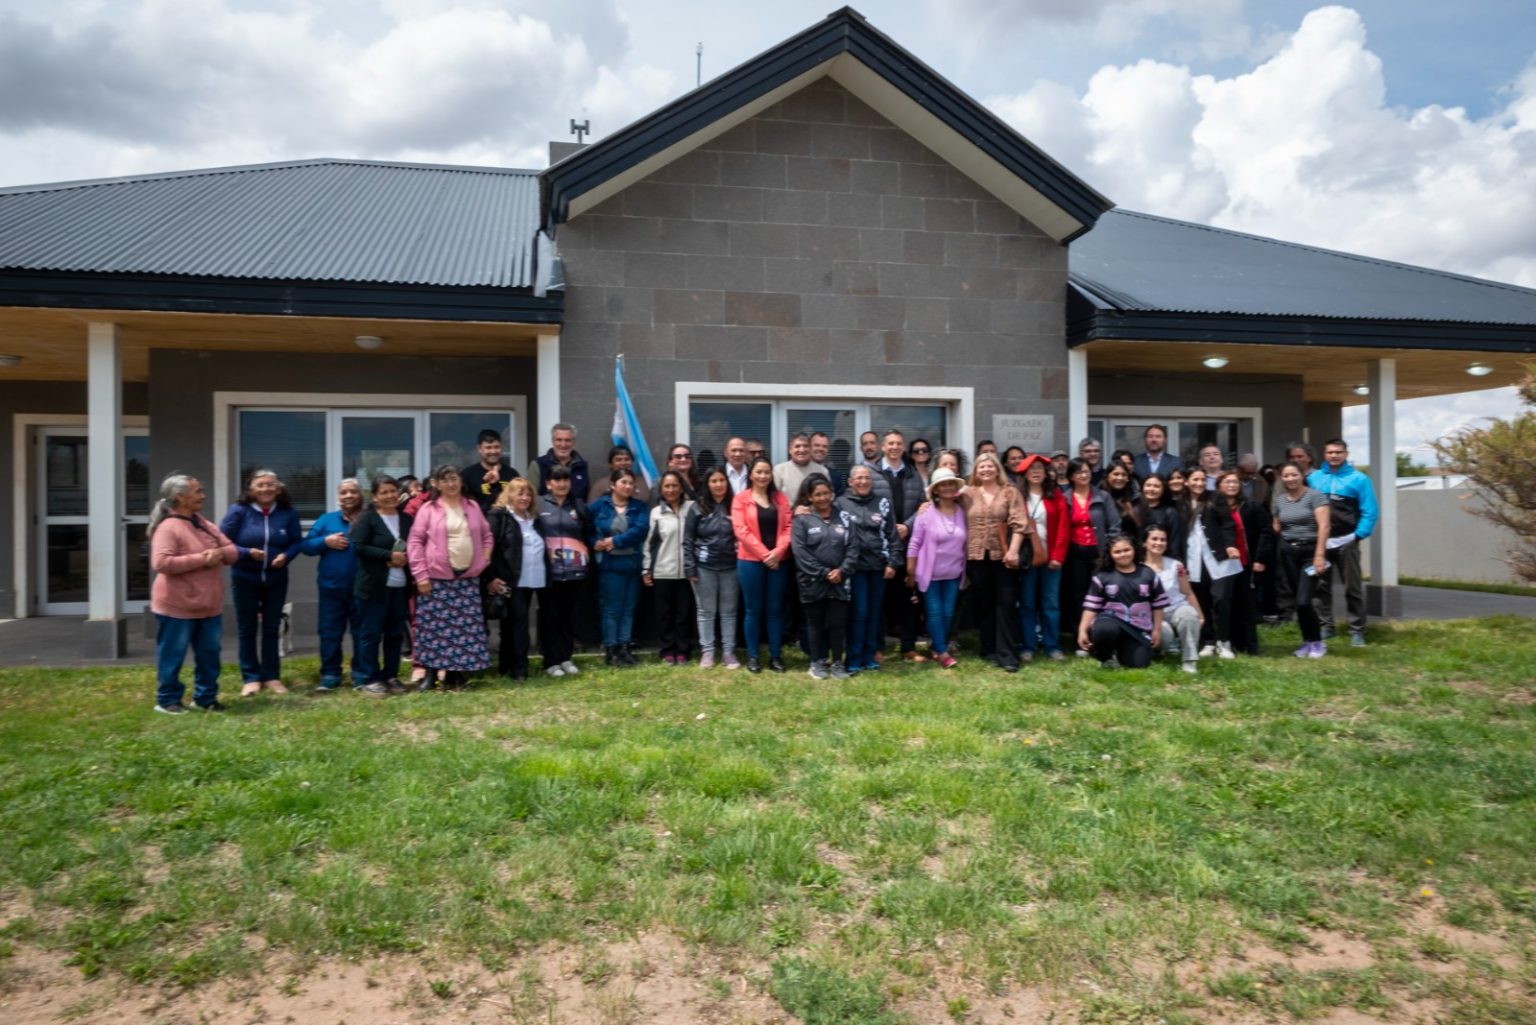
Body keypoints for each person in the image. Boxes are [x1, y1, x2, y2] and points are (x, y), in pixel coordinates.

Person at [149, 474, 237, 713]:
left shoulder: (203, 523)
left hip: (208, 605)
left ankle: (206, 698)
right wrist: (203, 558)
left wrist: (219, 554)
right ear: (181, 497)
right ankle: (168, 700)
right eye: (198, 492)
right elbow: (162, 563)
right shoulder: (168, 527)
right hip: (177, 606)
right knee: (173, 654)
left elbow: (231, 550)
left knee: (209, 654)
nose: (203, 496)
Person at [407, 464, 493, 689]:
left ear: (460, 481)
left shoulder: (472, 506)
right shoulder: (429, 509)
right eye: (445, 480)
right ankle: (430, 675)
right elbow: (415, 543)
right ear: (437, 484)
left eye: (454, 479)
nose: (451, 484)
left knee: (462, 632)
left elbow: (487, 536)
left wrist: (483, 560)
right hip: (436, 579)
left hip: (466, 580)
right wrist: (420, 576)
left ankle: (455, 676)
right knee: (433, 630)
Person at [221, 468, 303, 696]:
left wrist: (287, 555)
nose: (266, 488)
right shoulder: (239, 511)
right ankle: (250, 678)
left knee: (271, 627)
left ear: (278, 489)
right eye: (261, 485)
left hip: (276, 579)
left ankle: (272, 676)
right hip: (244, 577)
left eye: (270, 485)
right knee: (246, 628)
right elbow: (222, 541)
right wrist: (247, 553)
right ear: (251, 489)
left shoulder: (287, 512)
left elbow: (297, 542)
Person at [957, 452, 1026, 671]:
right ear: (975, 471)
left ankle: (1007, 654)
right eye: (981, 467)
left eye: (990, 466)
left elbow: (1020, 524)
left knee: (1005, 604)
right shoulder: (967, 494)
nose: (986, 470)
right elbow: (943, 503)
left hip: (1003, 556)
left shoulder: (1010, 492)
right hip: (976, 556)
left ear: (997, 469)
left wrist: (1014, 551)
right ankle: (988, 649)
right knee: (984, 604)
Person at [1308, 438, 1377, 647]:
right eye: (1330, 452)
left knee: (1352, 587)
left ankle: (1357, 630)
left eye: (1338, 452)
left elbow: (1370, 511)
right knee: (1321, 587)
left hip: (1347, 541)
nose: (1334, 456)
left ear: (1346, 454)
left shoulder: (1359, 479)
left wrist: (1358, 535)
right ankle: (1326, 626)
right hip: (1321, 542)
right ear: (1324, 454)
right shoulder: (1314, 479)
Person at [792, 474, 860, 679]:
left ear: (832, 493)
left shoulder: (845, 518)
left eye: (826, 493)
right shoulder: (802, 520)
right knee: (815, 624)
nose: (822, 498)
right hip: (812, 582)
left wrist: (842, 571)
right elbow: (800, 552)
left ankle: (838, 663)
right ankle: (817, 662)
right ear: (810, 497)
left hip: (840, 581)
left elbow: (854, 548)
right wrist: (823, 573)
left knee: (838, 623)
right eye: (817, 494)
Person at [1200, 469, 1273, 659]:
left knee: (1246, 603)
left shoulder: (1252, 506)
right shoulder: (1210, 506)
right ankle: (1226, 641)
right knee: (1224, 603)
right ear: (1218, 486)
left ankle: (1249, 645)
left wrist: (1260, 559)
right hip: (1221, 564)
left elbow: (1266, 531)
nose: (1231, 485)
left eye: (1235, 482)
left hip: (1245, 562)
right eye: (1227, 482)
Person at [350, 475, 414, 694]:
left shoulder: (407, 519)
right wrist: (388, 556)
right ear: (375, 497)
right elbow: (358, 547)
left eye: (393, 491)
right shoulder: (368, 519)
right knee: (370, 634)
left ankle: (391, 676)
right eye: (384, 492)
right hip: (373, 587)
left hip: (400, 586)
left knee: (395, 634)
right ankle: (369, 678)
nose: (389, 496)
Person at [301, 478, 364, 692]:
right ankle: (330, 674)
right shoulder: (326, 520)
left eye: (353, 492)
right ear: (338, 497)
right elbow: (306, 546)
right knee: (330, 633)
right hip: (332, 589)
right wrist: (324, 542)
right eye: (344, 492)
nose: (348, 496)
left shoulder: (369, 518)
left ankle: (361, 674)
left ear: (360, 494)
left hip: (363, 589)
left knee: (362, 632)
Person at [836, 463, 900, 673]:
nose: (863, 482)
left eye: (867, 478)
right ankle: (853, 659)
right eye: (859, 478)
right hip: (854, 569)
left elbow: (892, 536)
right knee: (859, 613)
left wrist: (892, 562)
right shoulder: (841, 503)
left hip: (879, 568)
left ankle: (869, 656)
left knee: (874, 613)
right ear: (851, 482)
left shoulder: (882, 503)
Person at [732, 456, 792, 673]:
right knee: (752, 610)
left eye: (767, 472)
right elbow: (741, 530)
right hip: (750, 562)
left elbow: (788, 527)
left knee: (775, 610)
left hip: (778, 562)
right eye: (759, 472)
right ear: (751, 474)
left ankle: (775, 656)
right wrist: (765, 554)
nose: (763, 476)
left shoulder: (780, 499)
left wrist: (777, 552)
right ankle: (753, 656)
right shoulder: (740, 499)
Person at [906, 467, 968, 669]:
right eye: (943, 485)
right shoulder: (925, 513)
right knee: (934, 613)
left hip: (953, 573)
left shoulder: (962, 512)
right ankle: (942, 652)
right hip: (929, 575)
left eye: (951, 484)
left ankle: (936, 646)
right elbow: (914, 543)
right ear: (936, 490)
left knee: (948, 614)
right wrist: (911, 571)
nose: (948, 488)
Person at [483, 477, 545, 681]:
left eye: (528, 494)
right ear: (509, 495)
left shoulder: (533, 517)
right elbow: (488, 548)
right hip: (509, 580)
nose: (525, 498)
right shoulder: (499, 516)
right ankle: (520, 668)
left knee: (513, 623)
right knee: (518, 623)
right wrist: (490, 577)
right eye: (520, 493)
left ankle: (506, 665)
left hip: (531, 578)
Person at [1077, 534, 1168, 669]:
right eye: (1117, 552)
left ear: (1134, 550)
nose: (1123, 554)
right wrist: (1082, 631)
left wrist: (1157, 630)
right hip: (1110, 622)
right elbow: (1091, 607)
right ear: (1110, 554)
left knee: (1139, 664)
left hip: (1138, 629)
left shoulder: (1148, 574)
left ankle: (1122, 652)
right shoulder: (1102, 576)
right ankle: (1105, 656)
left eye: (1126, 550)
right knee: (1105, 629)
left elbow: (1158, 605)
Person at [1060, 456, 1121, 654]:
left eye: (1086, 471)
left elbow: (1115, 525)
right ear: (1071, 476)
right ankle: (1082, 638)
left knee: (1101, 594)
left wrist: (1109, 551)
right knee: (1078, 596)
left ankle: (1102, 637)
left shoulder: (1103, 496)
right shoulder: (1065, 498)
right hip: (1074, 553)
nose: (1083, 475)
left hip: (1099, 553)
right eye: (1079, 472)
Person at [590, 469, 650, 667]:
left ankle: (625, 647)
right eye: (623, 482)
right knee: (612, 610)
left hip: (632, 564)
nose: (628, 486)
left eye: (631, 483)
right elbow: (585, 528)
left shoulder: (639, 507)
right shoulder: (600, 505)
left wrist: (616, 541)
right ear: (613, 485)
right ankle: (611, 649)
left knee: (628, 609)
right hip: (609, 566)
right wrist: (594, 542)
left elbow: (639, 531)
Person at [1272, 462, 1332, 659]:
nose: (1290, 479)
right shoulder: (1281, 500)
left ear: (1302, 475)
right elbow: (1277, 525)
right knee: (1299, 602)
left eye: (1294, 474)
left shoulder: (1315, 496)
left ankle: (1318, 642)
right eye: (1286, 476)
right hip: (1289, 553)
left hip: (1310, 552)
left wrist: (1319, 555)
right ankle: (1307, 642)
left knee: (1304, 600)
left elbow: (1324, 526)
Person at [877, 430, 928, 663]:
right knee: (878, 600)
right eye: (890, 443)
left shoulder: (913, 475)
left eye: (898, 443)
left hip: (908, 546)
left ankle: (908, 647)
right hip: (880, 547)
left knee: (907, 599)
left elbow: (923, 507)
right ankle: (876, 648)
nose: (895, 447)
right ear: (883, 447)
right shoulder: (871, 473)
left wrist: (907, 526)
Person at [536, 464, 591, 677]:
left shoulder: (578, 505)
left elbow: (588, 532)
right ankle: (551, 660)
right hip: (549, 572)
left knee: (568, 617)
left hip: (575, 571)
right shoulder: (539, 504)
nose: (562, 484)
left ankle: (566, 657)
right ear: (548, 483)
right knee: (551, 616)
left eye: (565, 480)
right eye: (557, 480)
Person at [686, 467, 740, 669]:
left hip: (731, 566)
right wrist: (690, 567)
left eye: (722, 480)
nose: (718, 485)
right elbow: (688, 539)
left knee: (729, 611)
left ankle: (728, 652)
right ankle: (707, 652)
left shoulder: (735, 505)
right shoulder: (698, 507)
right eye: (714, 481)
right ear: (707, 484)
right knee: (705, 611)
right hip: (704, 567)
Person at [1016, 454, 1068, 662]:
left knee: (1050, 603)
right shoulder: (1018, 496)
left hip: (1051, 559)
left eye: (1040, 468)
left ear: (1046, 473)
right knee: (1027, 603)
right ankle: (1027, 645)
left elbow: (1064, 528)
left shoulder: (1055, 495)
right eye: (1032, 469)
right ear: (1025, 473)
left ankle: (1051, 645)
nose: (1036, 472)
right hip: (1027, 559)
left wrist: (1058, 556)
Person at [644, 470, 695, 665]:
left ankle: (682, 650)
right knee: (664, 615)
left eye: (675, 485)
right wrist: (646, 569)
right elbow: (650, 543)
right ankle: (667, 650)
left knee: (683, 615)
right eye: (667, 486)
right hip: (663, 571)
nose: (671, 489)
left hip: (686, 572)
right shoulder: (656, 512)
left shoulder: (692, 508)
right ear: (661, 489)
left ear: (682, 488)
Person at [1142, 524, 1204, 674]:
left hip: (1177, 607)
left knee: (1189, 616)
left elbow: (1188, 593)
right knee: (1165, 633)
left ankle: (1189, 661)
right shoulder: (1139, 569)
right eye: (1154, 539)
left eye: (1163, 540)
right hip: (1154, 616)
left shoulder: (1176, 566)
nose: (1159, 543)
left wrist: (1200, 616)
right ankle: (1159, 651)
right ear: (1145, 543)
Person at [462, 428, 521, 514]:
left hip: (507, 524)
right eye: (488, 448)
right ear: (479, 449)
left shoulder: (512, 474)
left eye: (496, 447)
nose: (493, 451)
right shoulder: (468, 475)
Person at [1130, 474, 1185, 563]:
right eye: (1148, 485)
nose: (1151, 489)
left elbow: (1175, 542)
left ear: (1163, 489)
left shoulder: (1170, 512)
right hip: (1138, 562)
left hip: (1165, 561)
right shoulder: (1134, 511)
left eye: (1156, 486)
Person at [528, 423, 590, 498]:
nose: (563, 445)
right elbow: (531, 497)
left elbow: (585, 498)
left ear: (573, 443)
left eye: (567, 440)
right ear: (552, 441)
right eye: (559, 440)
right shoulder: (538, 465)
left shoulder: (582, 466)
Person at [773, 433, 827, 501]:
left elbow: (829, 496)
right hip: (787, 511)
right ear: (790, 450)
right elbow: (773, 499)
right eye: (797, 446)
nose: (802, 450)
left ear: (810, 449)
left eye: (805, 446)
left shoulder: (822, 471)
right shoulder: (779, 471)